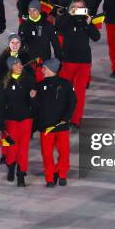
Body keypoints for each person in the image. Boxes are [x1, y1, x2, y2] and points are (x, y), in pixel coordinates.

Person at [55, 0, 100, 127]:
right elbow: (59, 28)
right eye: (75, 7)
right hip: (68, 61)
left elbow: (96, 37)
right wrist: (69, 14)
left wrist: (89, 24)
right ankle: (63, 118)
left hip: (83, 62)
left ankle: (76, 119)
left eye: (81, 7)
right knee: (65, 91)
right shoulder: (65, 19)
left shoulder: (87, 20)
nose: (78, 10)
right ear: (71, 8)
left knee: (79, 92)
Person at [32, 58, 76, 187]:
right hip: (46, 127)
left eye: (44, 68)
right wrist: (33, 98)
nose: (42, 70)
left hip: (61, 126)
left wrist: (66, 118)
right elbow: (37, 106)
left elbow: (72, 103)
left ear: (52, 69)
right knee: (46, 154)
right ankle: (50, 177)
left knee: (64, 152)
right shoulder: (39, 86)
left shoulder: (66, 84)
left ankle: (62, 174)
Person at [0, 57, 36, 187]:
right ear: (10, 67)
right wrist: (0, 121)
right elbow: (0, 103)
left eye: (19, 63)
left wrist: (33, 97)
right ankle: (11, 166)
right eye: (16, 64)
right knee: (12, 148)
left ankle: (21, 174)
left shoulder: (28, 79)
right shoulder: (5, 82)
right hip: (11, 120)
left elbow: (33, 102)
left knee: (24, 149)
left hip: (26, 119)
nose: (19, 66)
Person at [18, 0, 62, 82]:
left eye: (34, 10)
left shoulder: (48, 26)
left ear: (39, 10)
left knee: (42, 86)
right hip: (29, 62)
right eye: (30, 10)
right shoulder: (24, 25)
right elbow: (20, 44)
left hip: (44, 62)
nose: (31, 13)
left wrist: (58, 62)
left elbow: (56, 45)